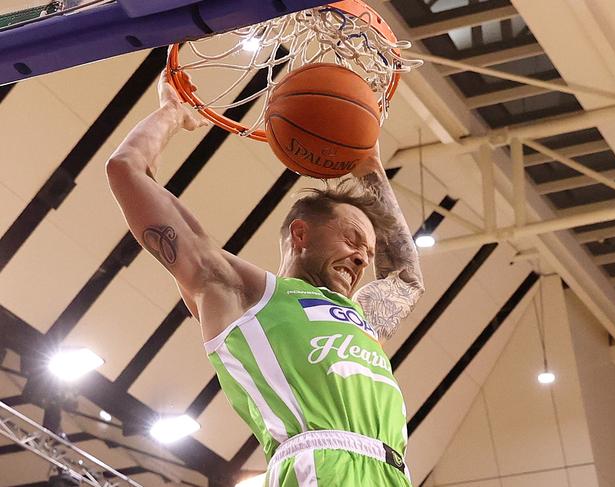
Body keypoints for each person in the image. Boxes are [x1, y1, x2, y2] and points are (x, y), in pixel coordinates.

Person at [106, 71, 425, 487]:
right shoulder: (242, 292)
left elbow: (405, 279)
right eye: (351, 238)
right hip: (319, 463)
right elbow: (126, 170)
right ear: (300, 234)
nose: (363, 256)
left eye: (367, 249)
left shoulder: (360, 317)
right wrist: (172, 113)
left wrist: (371, 167)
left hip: (393, 472)